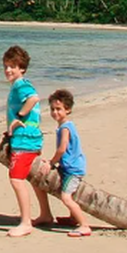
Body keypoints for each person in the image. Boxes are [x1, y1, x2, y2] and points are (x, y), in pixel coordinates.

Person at [3, 45, 53, 237]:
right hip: (32, 139)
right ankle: (46, 214)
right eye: (6, 66)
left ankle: (25, 222)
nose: (8, 70)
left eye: (13, 66)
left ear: (22, 68)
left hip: (25, 141)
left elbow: (33, 98)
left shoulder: (20, 85)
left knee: (16, 179)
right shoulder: (20, 84)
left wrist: (20, 116)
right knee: (33, 179)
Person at [39, 89, 91, 238]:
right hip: (70, 166)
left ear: (67, 109)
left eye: (58, 109)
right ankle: (73, 218)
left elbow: (62, 149)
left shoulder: (65, 128)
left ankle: (84, 225)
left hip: (73, 169)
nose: (55, 112)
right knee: (69, 195)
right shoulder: (66, 126)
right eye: (52, 109)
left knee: (66, 197)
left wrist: (51, 162)